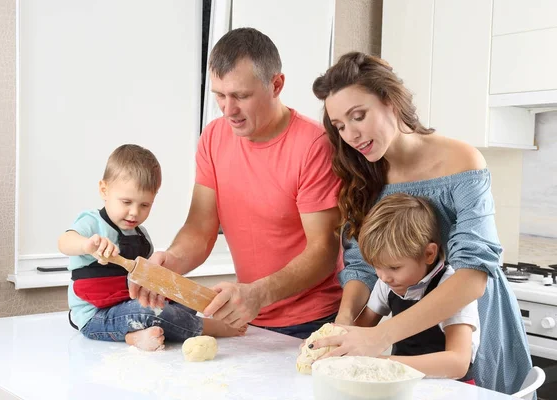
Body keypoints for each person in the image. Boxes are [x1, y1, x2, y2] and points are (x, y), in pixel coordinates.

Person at [308, 51, 532, 394]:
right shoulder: (362, 175)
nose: (350, 135)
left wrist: (381, 336)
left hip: (472, 323)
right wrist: (344, 320)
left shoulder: (461, 160)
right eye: (340, 126)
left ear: (390, 102)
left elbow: (473, 275)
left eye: (358, 116)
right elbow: (362, 269)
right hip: (410, 337)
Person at [130, 27, 343, 339]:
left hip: (313, 323)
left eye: (241, 96)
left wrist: (258, 293)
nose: (228, 110)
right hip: (246, 319)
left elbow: (324, 250)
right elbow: (200, 229)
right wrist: (169, 263)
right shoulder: (213, 138)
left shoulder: (315, 145)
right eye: (219, 95)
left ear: (276, 84)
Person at [58, 144, 245, 351]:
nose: (134, 213)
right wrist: (86, 245)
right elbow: (64, 242)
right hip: (95, 315)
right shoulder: (92, 224)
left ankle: (135, 337)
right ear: (104, 190)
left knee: (181, 304)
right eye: (126, 202)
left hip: (127, 305)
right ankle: (209, 327)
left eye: (144, 205)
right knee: (152, 313)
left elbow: (147, 284)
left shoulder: (141, 236)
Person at [353, 193, 479, 383]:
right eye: (376, 266)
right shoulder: (387, 282)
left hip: (451, 388)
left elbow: (458, 363)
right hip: (403, 384)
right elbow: (359, 330)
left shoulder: (453, 287)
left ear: (429, 254)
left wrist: (381, 363)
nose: (383, 276)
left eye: (394, 267)